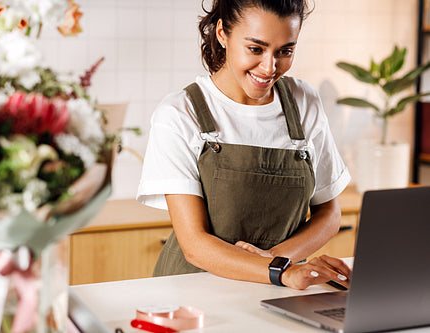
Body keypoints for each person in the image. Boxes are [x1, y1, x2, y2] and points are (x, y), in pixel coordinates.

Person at [137, 0, 352, 290]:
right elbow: (194, 244)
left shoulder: (304, 103)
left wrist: (276, 263)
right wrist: (279, 270)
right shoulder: (179, 113)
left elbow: (329, 214)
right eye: (255, 49)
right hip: (192, 292)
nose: (269, 67)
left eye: (285, 51)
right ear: (223, 33)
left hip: (277, 288)